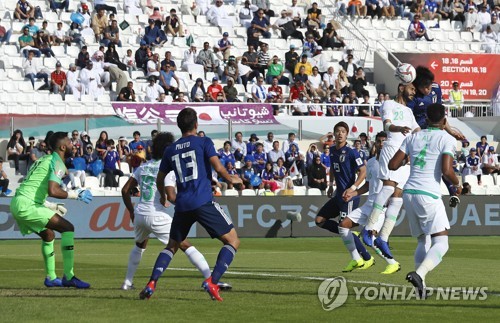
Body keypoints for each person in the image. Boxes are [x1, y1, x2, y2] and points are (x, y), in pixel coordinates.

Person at [139, 108, 242, 301]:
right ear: (196, 124)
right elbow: (218, 167)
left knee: (171, 246)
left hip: (183, 204)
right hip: (202, 201)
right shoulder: (204, 142)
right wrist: (231, 179)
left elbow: (159, 180)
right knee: (233, 240)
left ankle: (152, 283)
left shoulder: (170, 150)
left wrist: (162, 196)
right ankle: (212, 282)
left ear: (179, 126)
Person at [121, 132, 230, 290]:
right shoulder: (168, 170)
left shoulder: (142, 167)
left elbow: (125, 190)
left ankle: (127, 283)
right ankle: (211, 279)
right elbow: (172, 196)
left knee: (139, 245)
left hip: (140, 213)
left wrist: (131, 211)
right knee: (185, 245)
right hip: (156, 215)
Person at [388, 103, 460, 298]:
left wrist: (410, 158)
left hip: (409, 192)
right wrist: (458, 183)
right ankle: (419, 274)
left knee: (423, 240)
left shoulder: (412, 137)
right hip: (428, 193)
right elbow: (447, 171)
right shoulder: (446, 138)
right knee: (442, 243)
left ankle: (421, 289)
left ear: (426, 119)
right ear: (444, 121)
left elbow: (392, 164)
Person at [9, 132, 93, 288]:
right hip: (27, 205)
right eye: (69, 142)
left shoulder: (44, 159)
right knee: (68, 228)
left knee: (48, 234)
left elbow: (34, 187)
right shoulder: (57, 162)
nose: (73, 145)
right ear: (62, 147)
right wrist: (76, 194)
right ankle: (69, 276)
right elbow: (54, 190)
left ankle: (51, 277)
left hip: (18, 202)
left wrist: (49, 205)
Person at [362, 80, 421, 259]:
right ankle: (369, 228)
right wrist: (399, 128)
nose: (413, 93)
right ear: (401, 87)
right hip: (391, 148)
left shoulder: (409, 111)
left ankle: (383, 237)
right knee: (388, 188)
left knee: (398, 197)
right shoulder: (388, 103)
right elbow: (387, 125)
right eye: (411, 89)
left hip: (405, 153)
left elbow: (417, 131)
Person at [315, 121, 374, 272]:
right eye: (337, 131)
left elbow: (363, 171)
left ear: (347, 134)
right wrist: (330, 184)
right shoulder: (333, 151)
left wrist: (353, 188)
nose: (340, 133)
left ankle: (365, 258)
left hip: (349, 197)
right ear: (334, 134)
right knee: (320, 220)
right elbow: (334, 169)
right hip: (338, 195)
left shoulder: (352, 152)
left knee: (344, 227)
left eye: (343, 131)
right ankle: (351, 236)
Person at [342, 131, 401, 274]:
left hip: (381, 207)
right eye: (379, 141)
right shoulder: (372, 162)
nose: (381, 144)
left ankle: (392, 263)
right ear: (375, 143)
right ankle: (357, 259)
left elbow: (397, 187)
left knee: (370, 237)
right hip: (369, 204)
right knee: (343, 226)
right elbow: (368, 185)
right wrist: (353, 193)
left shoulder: (394, 163)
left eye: (384, 141)